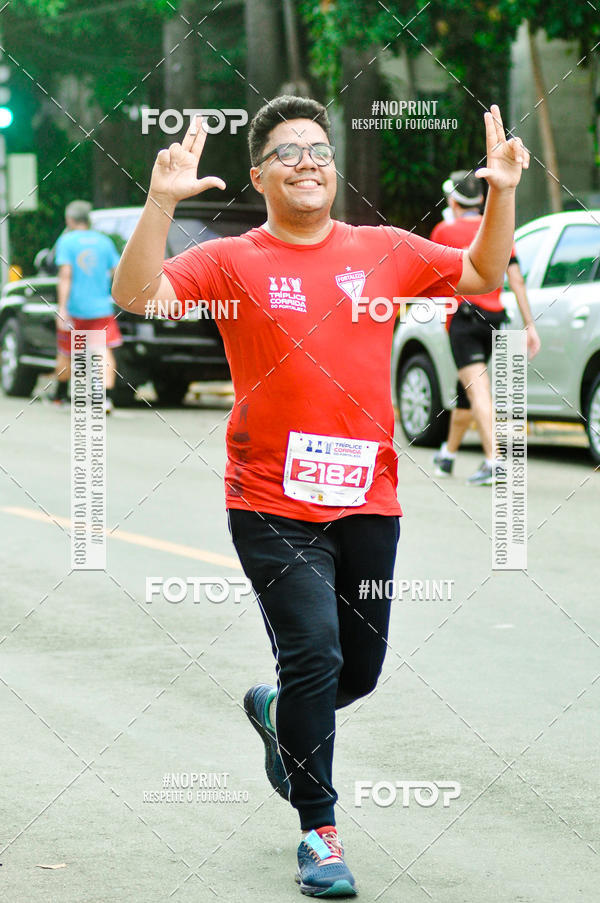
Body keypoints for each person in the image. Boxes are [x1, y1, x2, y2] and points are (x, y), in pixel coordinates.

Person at [112, 95, 529, 897]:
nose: (309, 160)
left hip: (368, 497)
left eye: (320, 149)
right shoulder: (233, 259)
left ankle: (277, 706)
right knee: (317, 652)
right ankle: (320, 832)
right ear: (259, 174)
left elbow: (480, 272)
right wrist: (161, 201)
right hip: (269, 499)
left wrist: (504, 189)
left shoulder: (383, 250)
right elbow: (140, 296)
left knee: (357, 671)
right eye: (289, 151)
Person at [430, 172, 541, 485]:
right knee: (465, 389)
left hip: (464, 320)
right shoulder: (496, 227)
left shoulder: (443, 230)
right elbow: (516, 278)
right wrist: (530, 325)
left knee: (478, 389)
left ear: (452, 201)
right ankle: (448, 455)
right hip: (494, 319)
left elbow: (435, 281)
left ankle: (495, 461)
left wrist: (441, 318)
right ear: (479, 199)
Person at [52, 200, 121, 412]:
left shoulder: (67, 241)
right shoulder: (104, 242)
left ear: (69, 219)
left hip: (75, 308)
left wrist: (62, 309)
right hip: (101, 308)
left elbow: (65, 276)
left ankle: (60, 395)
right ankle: (105, 398)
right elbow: (116, 270)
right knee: (103, 351)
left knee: (67, 351)